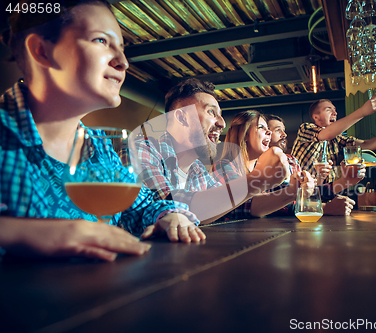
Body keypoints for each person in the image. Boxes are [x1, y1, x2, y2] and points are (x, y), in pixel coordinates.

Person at [0, 0, 203, 261]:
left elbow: (142, 206)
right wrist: (26, 233)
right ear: (41, 50)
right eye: (101, 41)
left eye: (121, 47)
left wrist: (169, 216)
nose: (123, 62)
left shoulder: (100, 149)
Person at [134, 79, 288, 224]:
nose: (222, 123)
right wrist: (258, 179)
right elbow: (169, 206)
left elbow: (238, 206)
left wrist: (293, 192)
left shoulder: (197, 169)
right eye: (211, 112)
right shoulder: (144, 150)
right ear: (182, 118)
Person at [291, 97, 376, 183]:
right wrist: (363, 112)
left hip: (322, 193)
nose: (335, 113)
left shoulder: (337, 139)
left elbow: (366, 144)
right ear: (316, 117)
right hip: (298, 192)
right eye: (328, 110)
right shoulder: (306, 129)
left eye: (335, 110)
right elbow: (326, 135)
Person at [212, 110, 315, 219]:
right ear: (244, 135)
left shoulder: (262, 167)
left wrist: (301, 186)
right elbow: (241, 204)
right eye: (261, 127)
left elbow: (277, 200)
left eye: (268, 128)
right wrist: (293, 193)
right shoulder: (224, 166)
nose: (269, 132)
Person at [267, 114, 364, 215]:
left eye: (284, 130)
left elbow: (305, 195)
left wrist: (345, 181)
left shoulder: (292, 160)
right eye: (278, 130)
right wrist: (324, 208)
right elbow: (267, 205)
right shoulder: (257, 162)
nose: (284, 134)